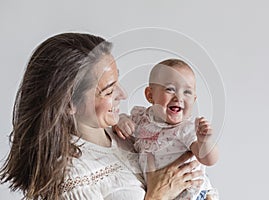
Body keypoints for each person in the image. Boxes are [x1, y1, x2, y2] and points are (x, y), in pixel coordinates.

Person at [0, 33, 204, 200]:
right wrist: (157, 196)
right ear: (69, 104)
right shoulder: (73, 176)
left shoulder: (127, 136)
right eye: (108, 90)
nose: (122, 95)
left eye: (117, 82)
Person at [114, 59, 219, 200]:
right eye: (170, 89)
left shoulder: (185, 129)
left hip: (190, 194)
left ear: (194, 100)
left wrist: (205, 141)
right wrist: (120, 121)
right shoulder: (142, 118)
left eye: (187, 92)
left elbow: (208, 160)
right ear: (150, 95)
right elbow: (120, 121)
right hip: (161, 192)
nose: (178, 97)